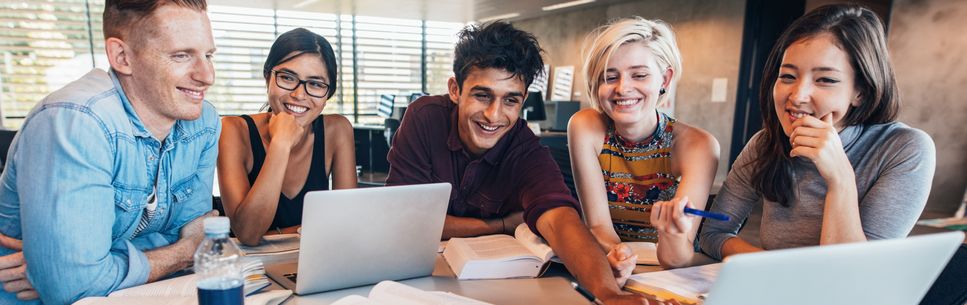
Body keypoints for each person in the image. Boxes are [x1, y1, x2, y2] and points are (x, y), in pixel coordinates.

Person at [0, 0, 220, 304]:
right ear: (122, 56)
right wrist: (182, 252)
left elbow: (200, 233)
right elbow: (75, 287)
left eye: (208, 55)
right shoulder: (76, 120)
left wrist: (68, 267)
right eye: (181, 55)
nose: (207, 76)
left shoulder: (201, 122)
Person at [386, 21, 667, 304]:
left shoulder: (525, 148)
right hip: (414, 280)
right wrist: (502, 224)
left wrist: (608, 293)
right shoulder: (424, 118)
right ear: (456, 89)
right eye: (482, 95)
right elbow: (408, 221)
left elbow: (560, 220)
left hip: (492, 286)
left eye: (510, 100)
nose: (494, 115)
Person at [694, 4, 936, 262]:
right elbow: (714, 233)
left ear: (861, 91)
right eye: (787, 76)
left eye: (825, 80)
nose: (797, 96)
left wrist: (839, 177)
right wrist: (771, 268)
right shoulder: (765, 143)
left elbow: (855, 272)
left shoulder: (905, 148)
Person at [568, 17, 719, 272]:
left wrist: (671, 234)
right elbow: (599, 228)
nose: (623, 88)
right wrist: (619, 255)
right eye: (610, 77)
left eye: (639, 75)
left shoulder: (698, 145)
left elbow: (677, 258)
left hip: (672, 273)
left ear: (665, 79)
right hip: (614, 265)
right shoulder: (585, 127)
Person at [216, 28, 356, 246]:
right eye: (287, 78)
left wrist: (276, 233)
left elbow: (347, 223)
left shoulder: (337, 130)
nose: (299, 95)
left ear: (328, 94)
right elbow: (248, 234)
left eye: (316, 84)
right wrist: (281, 143)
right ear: (267, 78)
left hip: (316, 260)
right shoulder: (233, 130)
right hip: (254, 270)